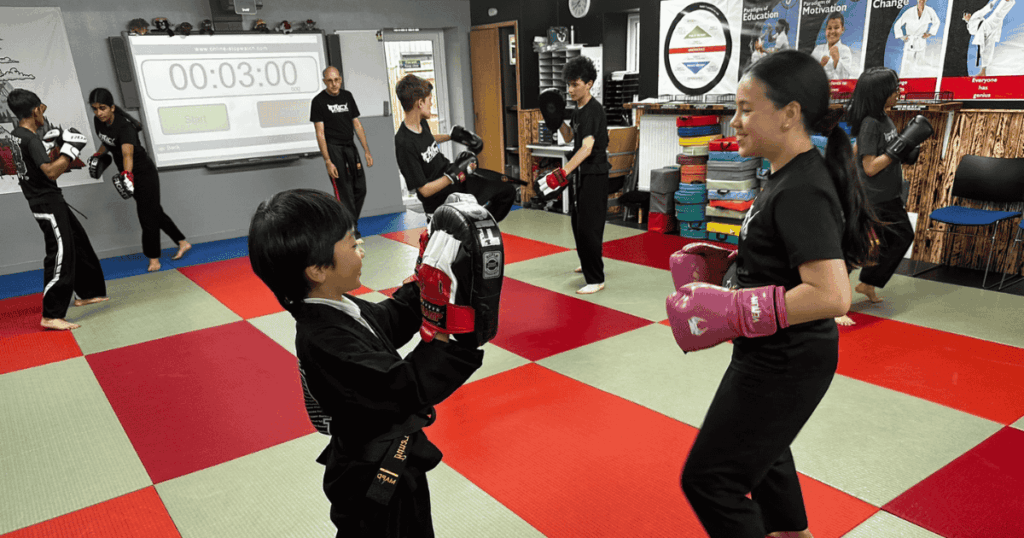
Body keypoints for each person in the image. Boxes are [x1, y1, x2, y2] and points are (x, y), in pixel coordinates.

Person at [667, 49, 882, 538]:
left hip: (785, 361)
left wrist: (739, 308)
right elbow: (790, 265)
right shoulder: (785, 174)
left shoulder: (802, 187)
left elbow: (832, 295)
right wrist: (735, 269)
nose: (734, 122)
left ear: (789, 114)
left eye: (746, 108)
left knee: (711, 481)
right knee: (765, 462)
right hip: (775, 354)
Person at [247, 189, 484, 537]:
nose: (362, 248)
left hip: (390, 462)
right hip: (374, 477)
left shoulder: (337, 306)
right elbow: (403, 384)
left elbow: (391, 318)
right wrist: (455, 335)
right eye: (352, 243)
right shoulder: (324, 340)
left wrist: (427, 281)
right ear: (317, 270)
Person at [6, 89, 108, 330]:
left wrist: (48, 144)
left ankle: (87, 293)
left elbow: (31, 159)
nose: (44, 113)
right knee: (61, 253)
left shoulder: (17, 134)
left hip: (48, 199)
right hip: (46, 202)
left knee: (77, 242)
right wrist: (70, 151)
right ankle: (51, 314)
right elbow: (51, 172)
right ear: (34, 111)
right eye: (42, 109)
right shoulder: (30, 139)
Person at [835, 67, 919, 326]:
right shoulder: (872, 123)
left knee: (888, 242)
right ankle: (836, 305)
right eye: (894, 88)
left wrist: (904, 149)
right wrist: (896, 152)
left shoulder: (883, 118)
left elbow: (859, 149)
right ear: (881, 93)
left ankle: (868, 284)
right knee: (856, 249)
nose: (898, 92)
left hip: (887, 196)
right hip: (873, 200)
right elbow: (870, 167)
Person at [88, 88, 190, 272]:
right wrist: (98, 154)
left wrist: (127, 175)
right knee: (154, 211)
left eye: (102, 108)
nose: (98, 113)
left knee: (147, 216)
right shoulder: (99, 121)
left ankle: (153, 259)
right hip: (128, 173)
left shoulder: (125, 126)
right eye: (95, 109)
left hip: (142, 172)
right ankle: (182, 242)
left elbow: (128, 154)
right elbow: (108, 141)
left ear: (112, 107)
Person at [393, 74, 515, 222]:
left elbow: (427, 140)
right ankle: (471, 228)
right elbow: (424, 190)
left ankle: (479, 225)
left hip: (452, 181)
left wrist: (452, 136)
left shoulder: (421, 123)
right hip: (440, 197)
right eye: (429, 100)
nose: (431, 104)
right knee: (499, 194)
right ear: (420, 103)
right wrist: (454, 173)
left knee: (506, 191)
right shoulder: (403, 144)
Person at [543, 56, 610, 295]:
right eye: (568, 85)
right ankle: (587, 261)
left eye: (575, 84)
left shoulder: (593, 110)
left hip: (594, 174)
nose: (570, 90)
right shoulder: (578, 110)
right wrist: (557, 122)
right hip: (581, 175)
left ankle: (596, 278)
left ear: (589, 83)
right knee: (577, 222)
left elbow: (587, 147)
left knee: (589, 226)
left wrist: (564, 171)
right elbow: (571, 137)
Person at [311, 67, 373, 233]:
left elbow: (357, 124)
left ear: (341, 79)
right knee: (344, 192)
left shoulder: (347, 96)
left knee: (360, 189)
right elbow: (320, 133)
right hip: (334, 149)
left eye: (337, 80)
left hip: (350, 147)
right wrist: (327, 161)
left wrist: (366, 150)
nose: (334, 84)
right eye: (330, 81)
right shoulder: (318, 101)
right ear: (324, 81)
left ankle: (349, 224)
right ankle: (351, 229)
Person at [964, 0, 1016, 76]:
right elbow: (976, 33)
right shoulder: (969, 28)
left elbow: (984, 10)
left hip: (986, 25)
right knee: (985, 51)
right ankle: (983, 71)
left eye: (967, 14)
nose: (967, 16)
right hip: (983, 35)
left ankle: (1007, 1)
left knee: (997, 14)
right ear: (964, 18)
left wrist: (994, 1)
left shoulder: (974, 16)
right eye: (965, 15)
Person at [894, 0, 941, 78]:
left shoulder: (930, 11)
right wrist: (902, 36)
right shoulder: (909, 12)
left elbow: (937, 22)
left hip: (921, 40)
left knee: (920, 64)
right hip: (910, 41)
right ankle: (904, 79)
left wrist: (930, 33)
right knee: (907, 64)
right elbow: (897, 25)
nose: (921, 0)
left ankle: (920, 80)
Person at [812, 13, 858, 80]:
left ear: (842, 29)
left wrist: (837, 60)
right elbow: (809, 73)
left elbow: (846, 77)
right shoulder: (818, 49)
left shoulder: (845, 50)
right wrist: (820, 65)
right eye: (829, 28)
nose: (832, 31)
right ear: (825, 30)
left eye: (836, 28)